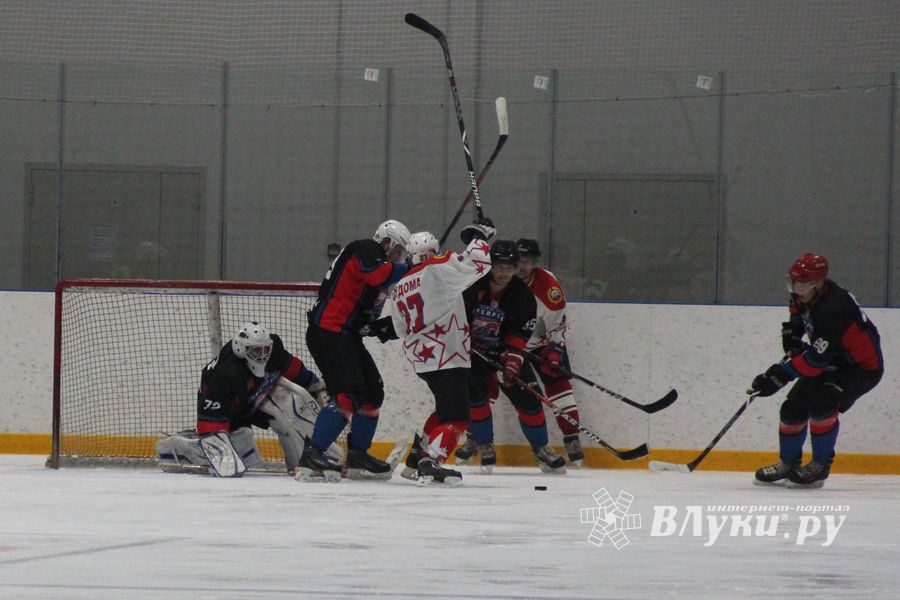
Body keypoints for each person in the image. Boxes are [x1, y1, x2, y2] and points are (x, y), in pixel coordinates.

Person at [749, 253, 883, 488]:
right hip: (833, 360)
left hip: (860, 368)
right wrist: (792, 335)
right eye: (793, 282)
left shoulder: (834, 308)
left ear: (819, 283)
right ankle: (788, 463)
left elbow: (814, 361)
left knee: (823, 405)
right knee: (791, 410)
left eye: (802, 284)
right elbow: (798, 316)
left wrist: (780, 375)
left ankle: (820, 466)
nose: (796, 289)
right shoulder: (804, 294)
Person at [378, 221, 494, 485]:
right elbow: (479, 262)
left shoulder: (400, 286)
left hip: (424, 360)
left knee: (449, 407)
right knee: (457, 418)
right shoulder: (438, 267)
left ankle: (416, 458)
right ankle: (432, 460)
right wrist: (480, 235)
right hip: (448, 356)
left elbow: (399, 328)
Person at [299, 219, 411, 481]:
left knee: (372, 393)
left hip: (346, 336)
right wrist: (408, 268)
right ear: (386, 241)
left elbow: (365, 319)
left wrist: (384, 327)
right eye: (397, 251)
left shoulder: (380, 274)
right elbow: (379, 274)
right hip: (328, 331)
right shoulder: (364, 249)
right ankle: (313, 453)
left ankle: (358, 455)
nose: (397, 258)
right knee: (347, 396)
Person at [156, 321, 331, 477]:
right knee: (239, 446)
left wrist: (315, 385)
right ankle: (184, 448)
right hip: (231, 409)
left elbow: (294, 369)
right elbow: (209, 424)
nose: (262, 355)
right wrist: (218, 448)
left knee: (288, 403)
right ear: (241, 348)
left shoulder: (274, 348)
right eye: (256, 351)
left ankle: (303, 460)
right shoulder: (225, 376)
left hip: (254, 395)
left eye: (265, 350)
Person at [454, 239, 567, 474]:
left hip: (503, 351)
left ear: (516, 268)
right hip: (472, 352)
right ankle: (485, 445)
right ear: (490, 265)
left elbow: (519, 332)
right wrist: (468, 346)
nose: (504, 272)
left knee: (530, 400)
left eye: (509, 267)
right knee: (476, 398)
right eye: (499, 266)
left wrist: (513, 358)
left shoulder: (523, 295)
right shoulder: (472, 286)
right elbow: (457, 320)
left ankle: (541, 448)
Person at [515, 238, 585, 466]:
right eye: (519, 261)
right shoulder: (501, 280)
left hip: (542, 342)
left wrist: (555, 348)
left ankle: (571, 438)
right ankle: (476, 438)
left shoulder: (547, 286)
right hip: (511, 346)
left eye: (527, 262)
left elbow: (558, 322)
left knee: (560, 386)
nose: (522, 267)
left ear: (535, 263)